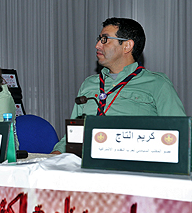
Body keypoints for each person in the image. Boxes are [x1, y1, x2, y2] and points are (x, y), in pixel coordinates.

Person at [52, 17, 186, 154]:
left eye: (105, 39)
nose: (97, 45)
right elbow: (73, 134)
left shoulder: (157, 84)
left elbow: (180, 136)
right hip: (86, 166)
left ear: (127, 46)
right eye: (98, 39)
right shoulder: (89, 84)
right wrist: (54, 156)